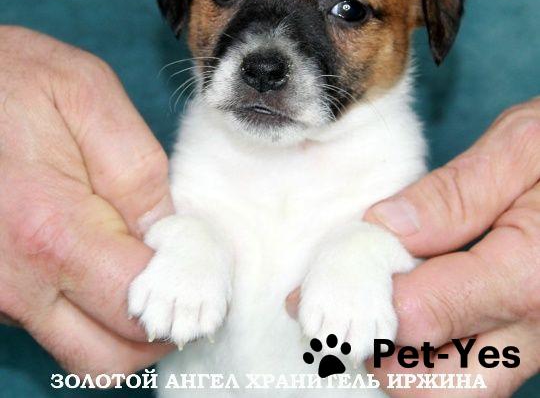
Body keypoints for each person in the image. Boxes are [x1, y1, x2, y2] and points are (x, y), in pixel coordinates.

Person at [1, 26, 538, 395]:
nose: (265, 61)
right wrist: (190, 242)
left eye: (348, 10)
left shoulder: (391, 153)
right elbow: (177, 231)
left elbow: (398, 257)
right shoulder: (205, 142)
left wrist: (363, 252)